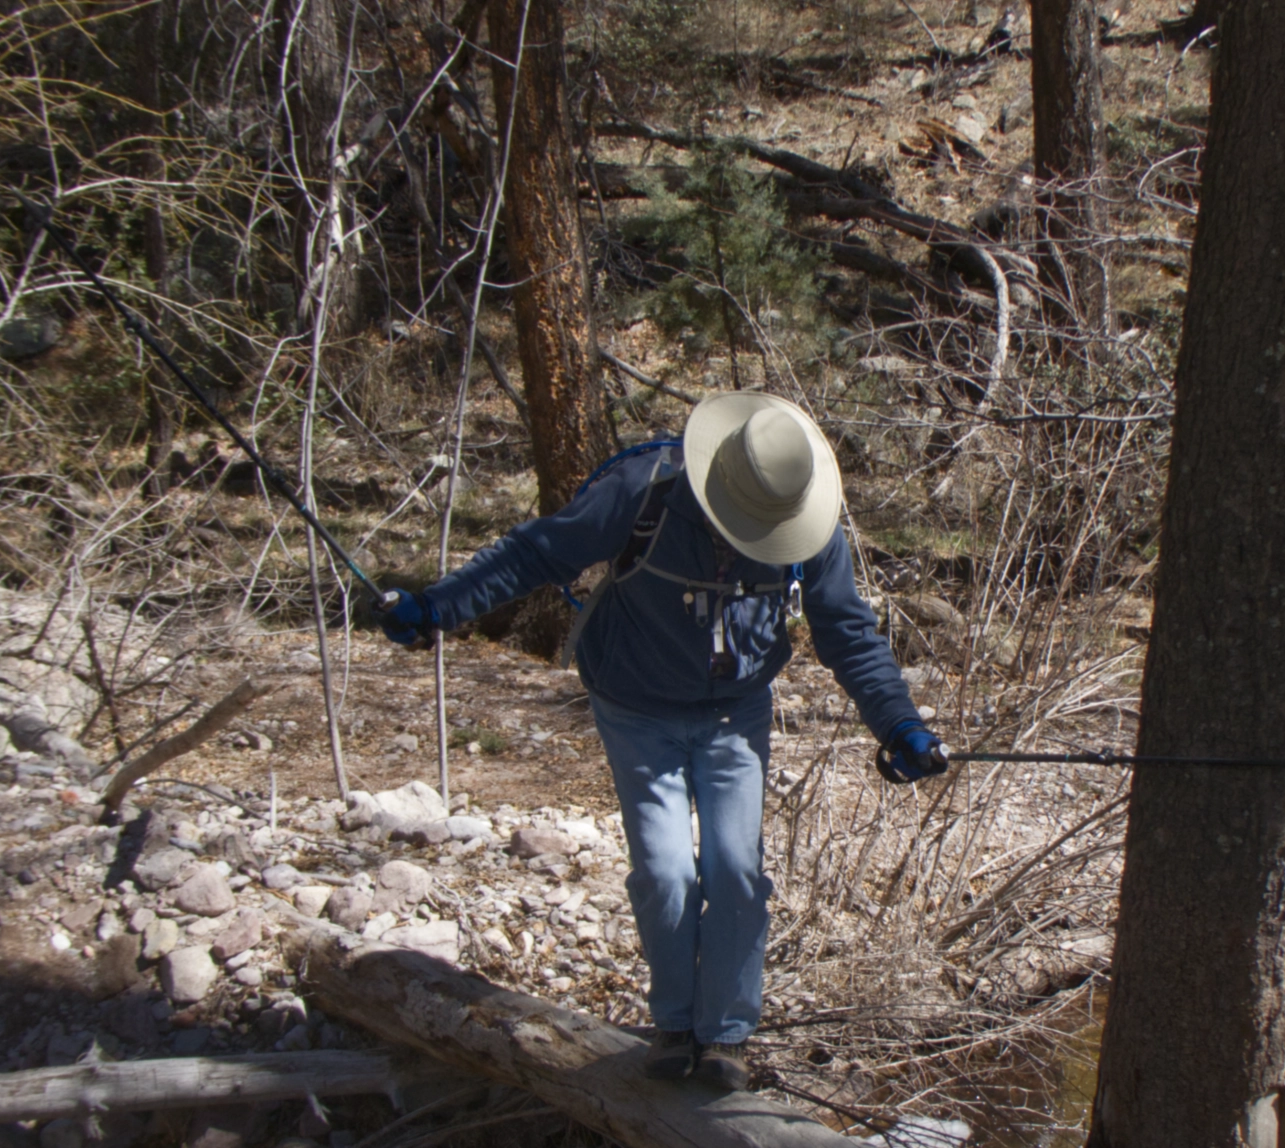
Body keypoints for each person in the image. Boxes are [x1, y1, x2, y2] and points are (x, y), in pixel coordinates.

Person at [379, 392, 945, 1092]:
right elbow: (535, 554)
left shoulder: (810, 526)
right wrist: (438, 607)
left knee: (737, 870)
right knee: (667, 871)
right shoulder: (641, 490)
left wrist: (900, 725)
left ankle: (726, 1038)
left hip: (735, 711)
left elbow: (847, 630)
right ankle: (675, 1026)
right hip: (635, 707)